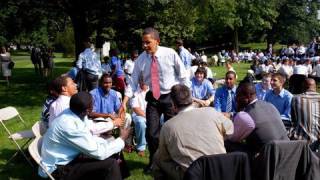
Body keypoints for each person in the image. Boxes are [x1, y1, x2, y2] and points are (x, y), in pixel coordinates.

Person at [121, 27, 189, 172]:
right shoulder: (141, 59)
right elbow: (133, 81)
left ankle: (175, 160)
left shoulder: (170, 53)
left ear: (157, 41)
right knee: (152, 133)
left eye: (147, 42)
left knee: (173, 131)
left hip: (171, 96)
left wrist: (184, 98)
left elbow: (183, 75)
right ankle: (154, 161)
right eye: (143, 43)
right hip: (153, 97)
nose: (144, 46)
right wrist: (124, 101)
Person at [39, 92, 130, 180]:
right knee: (111, 164)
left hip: (70, 158)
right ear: (88, 110)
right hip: (59, 170)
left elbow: (89, 129)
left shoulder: (73, 112)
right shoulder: (70, 126)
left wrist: (111, 136)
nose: (94, 106)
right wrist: (122, 139)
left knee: (112, 150)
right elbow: (99, 153)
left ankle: (121, 176)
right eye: (92, 105)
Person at [153, 84, 233, 180]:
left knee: (157, 158)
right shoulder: (211, 112)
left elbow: (163, 157)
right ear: (192, 100)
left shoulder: (168, 127)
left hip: (194, 175)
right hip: (221, 169)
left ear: (173, 105)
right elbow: (230, 131)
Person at [227, 82, 288, 154]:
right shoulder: (270, 105)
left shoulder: (245, 115)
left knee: (226, 143)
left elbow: (233, 138)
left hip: (268, 159)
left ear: (248, 96)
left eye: (237, 96)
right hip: (288, 152)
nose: (236, 100)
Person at [291, 78, 320, 151]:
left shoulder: (296, 98)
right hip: (318, 141)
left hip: (300, 139)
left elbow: (294, 120)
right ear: (315, 87)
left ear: (303, 88)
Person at [130, 77, 149, 156]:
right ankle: (141, 147)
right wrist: (148, 117)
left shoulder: (153, 89)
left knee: (163, 119)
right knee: (141, 122)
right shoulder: (134, 91)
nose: (143, 81)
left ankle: (161, 145)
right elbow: (135, 108)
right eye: (141, 79)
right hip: (139, 115)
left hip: (152, 114)